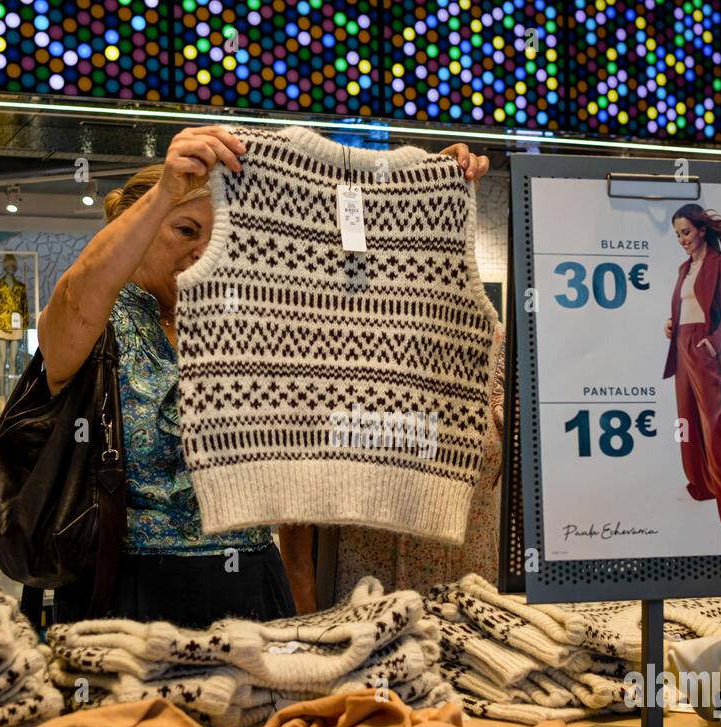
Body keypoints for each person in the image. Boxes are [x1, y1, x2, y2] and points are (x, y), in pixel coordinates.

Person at [40, 126, 490, 625]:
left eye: (219, 236)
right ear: (138, 231)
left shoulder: (249, 319)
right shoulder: (100, 327)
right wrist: (164, 192)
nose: (202, 251)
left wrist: (422, 189)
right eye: (186, 230)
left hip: (253, 583)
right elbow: (75, 302)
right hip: (123, 591)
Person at [662, 203, 721, 541]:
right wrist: (673, 325)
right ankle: (701, 486)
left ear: (702, 230)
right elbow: (686, 306)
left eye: (686, 232)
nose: (682, 239)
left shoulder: (720, 265)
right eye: (677, 234)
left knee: (713, 425)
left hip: (703, 347)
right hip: (682, 344)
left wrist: (712, 344)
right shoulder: (683, 268)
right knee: (685, 422)